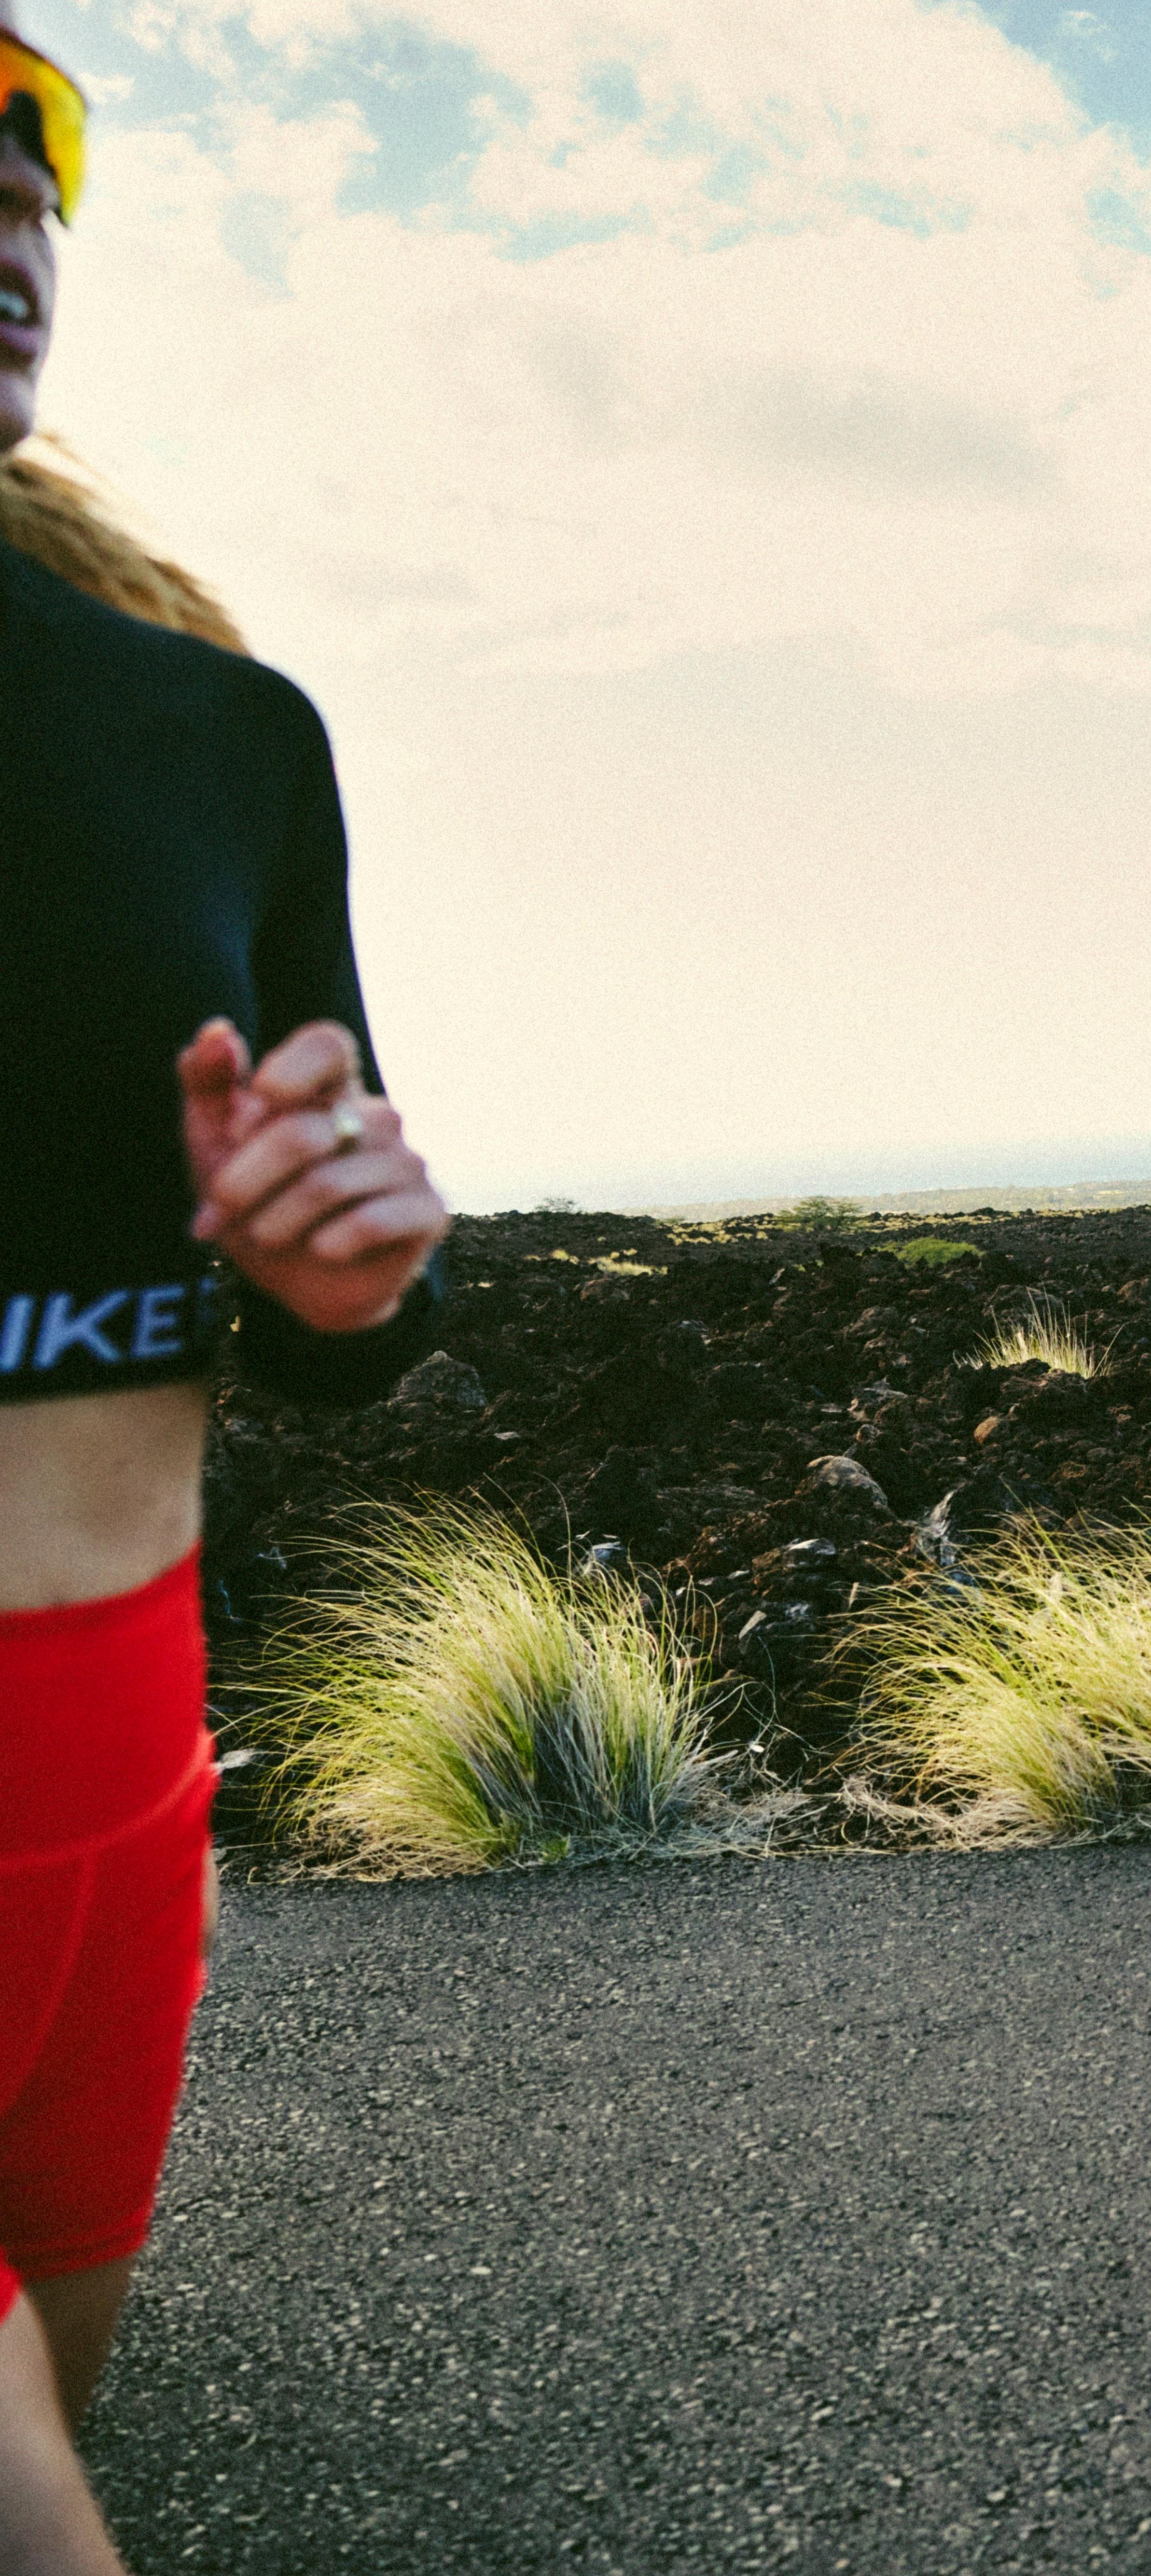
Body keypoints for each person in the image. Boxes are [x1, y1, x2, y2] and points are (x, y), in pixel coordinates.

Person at [1, 23, 452, 2570]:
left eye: (32, 156)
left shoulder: (218, 733)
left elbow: (349, 1335)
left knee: (56, 2414)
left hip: (118, 1791)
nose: (9, 214)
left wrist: (346, 1267)